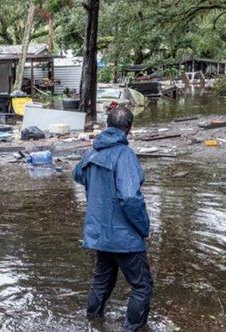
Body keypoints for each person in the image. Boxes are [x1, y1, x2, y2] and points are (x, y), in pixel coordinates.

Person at [73, 107, 153, 331]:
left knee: (101, 281)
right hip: (124, 237)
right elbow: (130, 197)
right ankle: (132, 328)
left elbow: (78, 175)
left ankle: (93, 322)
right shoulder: (124, 155)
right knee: (142, 286)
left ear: (107, 125)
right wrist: (144, 228)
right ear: (130, 128)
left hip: (100, 234)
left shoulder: (91, 152)